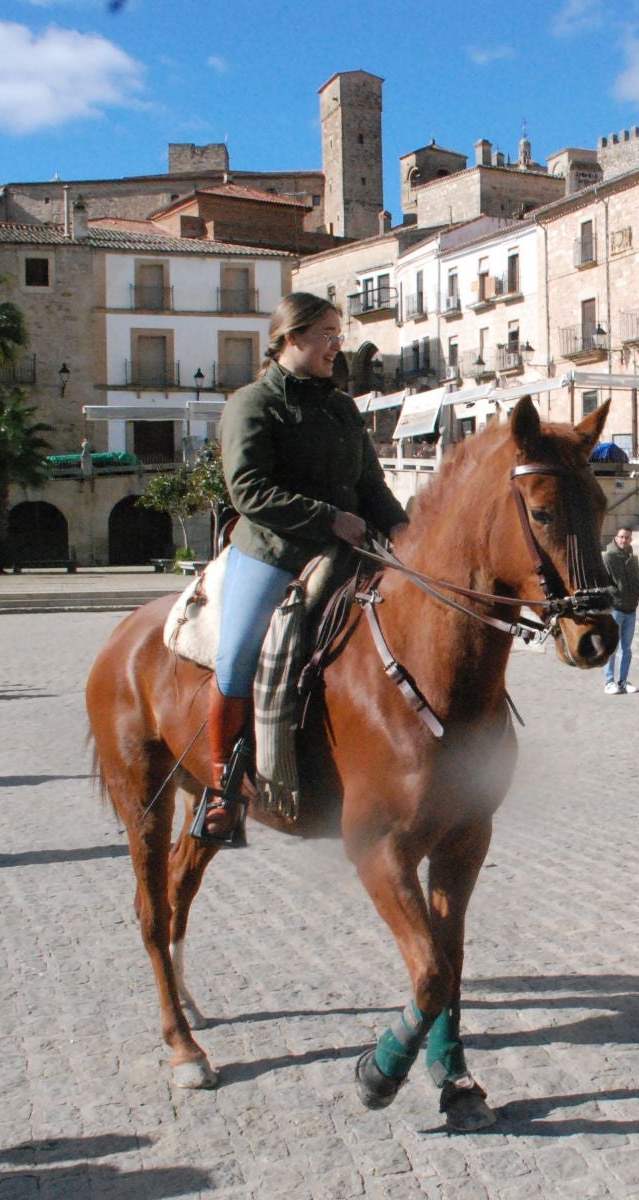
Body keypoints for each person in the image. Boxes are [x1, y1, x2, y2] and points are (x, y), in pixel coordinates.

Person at [204, 292, 411, 842]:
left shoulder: (341, 407)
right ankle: (224, 788)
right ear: (290, 338)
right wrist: (328, 518)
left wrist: (403, 529)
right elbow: (249, 490)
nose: (336, 345)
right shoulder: (252, 403)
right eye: (325, 333)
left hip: (349, 546)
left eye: (338, 333)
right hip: (275, 549)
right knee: (238, 655)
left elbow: (371, 485)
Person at [602, 526, 639, 695]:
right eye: (621, 537)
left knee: (627, 648)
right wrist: (615, 594)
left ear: (631, 540)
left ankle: (623, 681)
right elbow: (604, 582)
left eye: (627, 538)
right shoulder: (608, 557)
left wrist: (637, 595)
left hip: (631, 609)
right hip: (616, 609)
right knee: (612, 647)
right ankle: (609, 681)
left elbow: (636, 579)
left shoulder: (633, 558)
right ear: (616, 538)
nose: (624, 540)